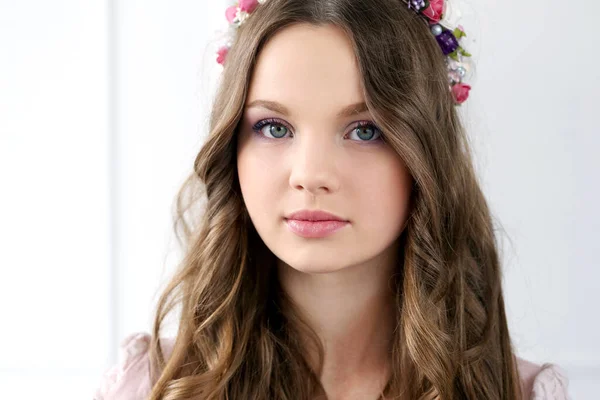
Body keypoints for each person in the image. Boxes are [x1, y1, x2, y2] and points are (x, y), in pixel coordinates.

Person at [94, 0, 571, 398]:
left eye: (365, 130)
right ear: (231, 149)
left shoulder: (518, 392)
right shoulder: (156, 388)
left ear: (426, 155)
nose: (310, 176)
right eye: (273, 127)